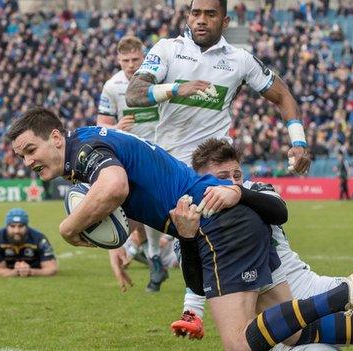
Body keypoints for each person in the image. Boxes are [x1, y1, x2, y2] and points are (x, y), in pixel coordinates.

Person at [7, 107, 353, 351]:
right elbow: (127, 198)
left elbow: (114, 187)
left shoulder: (84, 150)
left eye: (30, 150)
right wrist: (117, 245)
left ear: (56, 137)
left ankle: (344, 293)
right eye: (21, 156)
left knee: (240, 343)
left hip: (216, 223)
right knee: (288, 333)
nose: (27, 161)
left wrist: (68, 227)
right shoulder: (92, 141)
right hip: (231, 220)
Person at [125, 0, 311, 330]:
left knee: (254, 227)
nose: (201, 20)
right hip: (171, 166)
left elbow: (283, 95)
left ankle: (285, 293)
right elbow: (135, 94)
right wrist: (176, 89)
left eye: (210, 14)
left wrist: (298, 141)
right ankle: (198, 307)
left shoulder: (238, 60)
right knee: (191, 237)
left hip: (216, 164)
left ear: (224, 21)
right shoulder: (168, 50)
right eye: (195, 13)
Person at [174, 138, 353, 350]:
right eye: (222, 177)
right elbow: (197, 284)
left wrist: (238, 192)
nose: (233, 181)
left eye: (237, 174)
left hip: (303, 285)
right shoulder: (189, 213)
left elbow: (279, 212)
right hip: (257, 320)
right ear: (200, 179)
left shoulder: (253, 190)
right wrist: (187, 239)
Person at [97, 36, 168, 292]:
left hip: (162, 149)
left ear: (143, 56)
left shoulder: (157, 78)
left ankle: (147, 252)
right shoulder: (112, 86)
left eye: (135, 59)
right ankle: (146, 251)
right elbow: (102, 124)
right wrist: (116, 127)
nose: (130, 65)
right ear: (118, 60)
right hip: (129, 154)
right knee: (134, 208)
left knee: (154, 204)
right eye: (125, 60)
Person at [0, 208, 58, 277]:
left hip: (34, 268)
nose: (16, 231)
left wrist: (30, 271)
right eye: (12, 226)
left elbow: (51, 269)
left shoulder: (39, 239)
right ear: (7, 226)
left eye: (21, 226)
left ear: (27, 226)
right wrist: (15, 272)